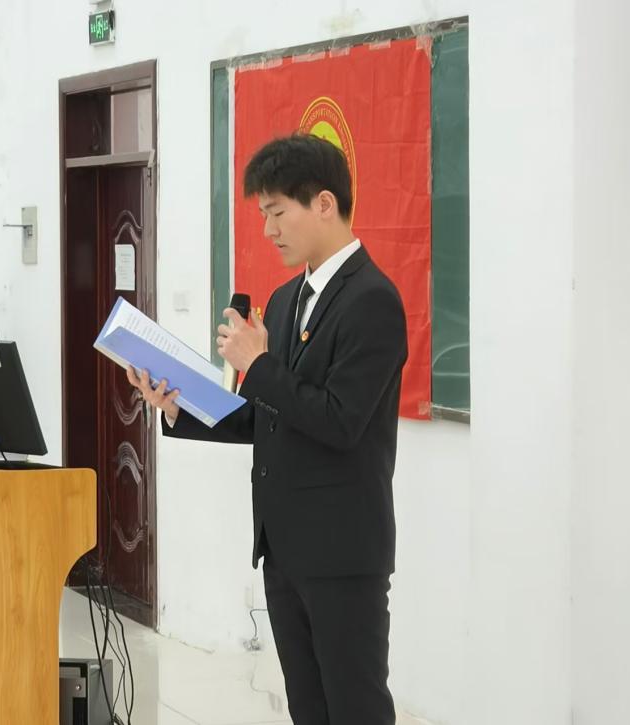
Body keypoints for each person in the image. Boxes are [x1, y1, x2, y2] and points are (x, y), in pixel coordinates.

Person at [127, 134, 407, 724]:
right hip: (283, 550)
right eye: (263, 215)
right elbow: (268, 417)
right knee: (307, 707)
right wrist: (177, 406)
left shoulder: (373, 301)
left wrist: (259, 365)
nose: (268, 230)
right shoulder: (284, 302)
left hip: (342, 553)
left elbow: (339, 421)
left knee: (356, 709)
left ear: (324, 204)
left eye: (278, 213)